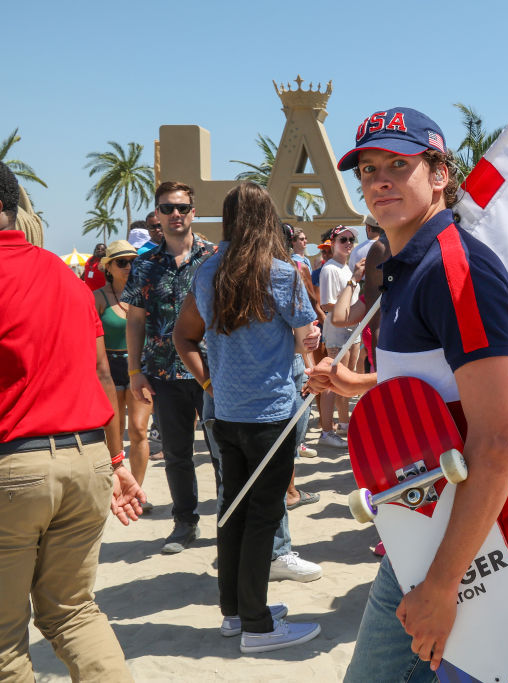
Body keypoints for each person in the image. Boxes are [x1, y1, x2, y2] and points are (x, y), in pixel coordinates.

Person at [308, 106, 508, 679]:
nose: (380, 181)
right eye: (367, 170)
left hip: (488, 550)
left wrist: (444, 584)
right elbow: (447, 386)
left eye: (400, 163)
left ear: (439, 174)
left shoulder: (455, 269)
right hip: (423, 536)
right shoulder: (407, 268)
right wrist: (361, 384)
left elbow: (497, 443)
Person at [0, 161, 145, 679]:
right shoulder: (63, 277)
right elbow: (102, 376)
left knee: (3, 638)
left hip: (14, 468)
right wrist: (116, 459)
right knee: (74, 612)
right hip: (87, 462)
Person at [174, 181, 321, 653]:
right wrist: (312, 342)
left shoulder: (207, 270)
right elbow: (306, 334)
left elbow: (185, 336)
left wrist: (211, 383)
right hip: (271, 414)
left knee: (231, 510)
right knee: (262, 514)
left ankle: (235, 612)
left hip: (226, 413)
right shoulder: (282, 273)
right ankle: (257, 624)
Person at [123, 180, 217, 554]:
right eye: (166, 208)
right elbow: (135, 320)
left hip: (211, 371)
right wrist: (134, 371)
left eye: (181, 208)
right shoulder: (145, 264)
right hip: (163, 372)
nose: (175, 214)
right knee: (177, 454)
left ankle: (230, 519)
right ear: (157, 216)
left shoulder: (215, 257)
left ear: (193, 212)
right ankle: (184, 522)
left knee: (222, 450)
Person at [96, 239, 155, 500]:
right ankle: (116, 486)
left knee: (140, 430)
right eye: (122, 262)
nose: (129, 266)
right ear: (108, 267)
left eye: (133, 261)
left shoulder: (146, 294)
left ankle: (135, 490)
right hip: (109, 368)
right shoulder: (97, 298)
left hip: (140, 365)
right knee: (115, 432)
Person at [317, 225, 361, 447]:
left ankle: (344, 423)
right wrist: (351, 312)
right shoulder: (330, 269)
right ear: (333, 243)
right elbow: (326, 303)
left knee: (348, 378)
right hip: (338, 330)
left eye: (351, 239)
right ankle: (326, 431)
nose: (348, 243)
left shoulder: (347, 268)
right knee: (332, 381)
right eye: (343, 239)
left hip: (352, 329)